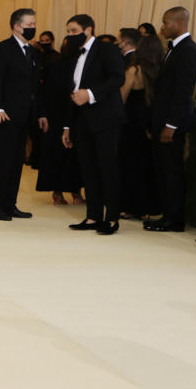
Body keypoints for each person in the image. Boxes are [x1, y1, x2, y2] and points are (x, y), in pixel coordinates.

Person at [61, 14, 127, 234]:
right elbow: (71, 91)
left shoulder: (106, 49)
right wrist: (67, 126)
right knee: (88, 170)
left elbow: (118, 78)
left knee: (108, 169)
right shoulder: (73, 53)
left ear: (88, 30)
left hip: (105, 118)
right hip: (81, 121)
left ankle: (112, 218)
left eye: (73, 31)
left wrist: (90, 94)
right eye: (68, 31)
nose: (69, 35)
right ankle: (93, 216)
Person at [144, 7, 196, 232]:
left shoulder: (188, 50)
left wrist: (170, 125)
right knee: (163, 170)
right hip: (162, 120)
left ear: (178, 23)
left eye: (165, 22)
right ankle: (167, 214)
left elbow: (183, 92)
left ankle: (175, 219)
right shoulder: (174, 49)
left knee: (172, 172)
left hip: (173, 124)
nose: (162, 27)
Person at [0, 8, 45, 220]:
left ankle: (10, 204)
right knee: (4, 161)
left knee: (17, 161)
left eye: (34, 24)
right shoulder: (2, 49)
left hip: (25, 116)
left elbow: (34, 88)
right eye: (29, 25)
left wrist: (39, 113)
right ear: (16, 26)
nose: (33, 28)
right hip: (6, 115)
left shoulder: (32, 52)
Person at [35, 32, 84, 206]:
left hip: (66, 115)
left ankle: (70, 190)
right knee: (61, 153)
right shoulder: (57, 65)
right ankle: (63, 192)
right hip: (59, 115)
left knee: (70, 155)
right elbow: (44, 91)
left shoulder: (77, 65)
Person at [117, 32, 162, 220]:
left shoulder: (134, 71)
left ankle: (131, 206)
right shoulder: (160, 70)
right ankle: (149, 207)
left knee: (130, 165)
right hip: (151, 120)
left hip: (132, 121)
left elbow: (122, 98)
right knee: (147, 165)